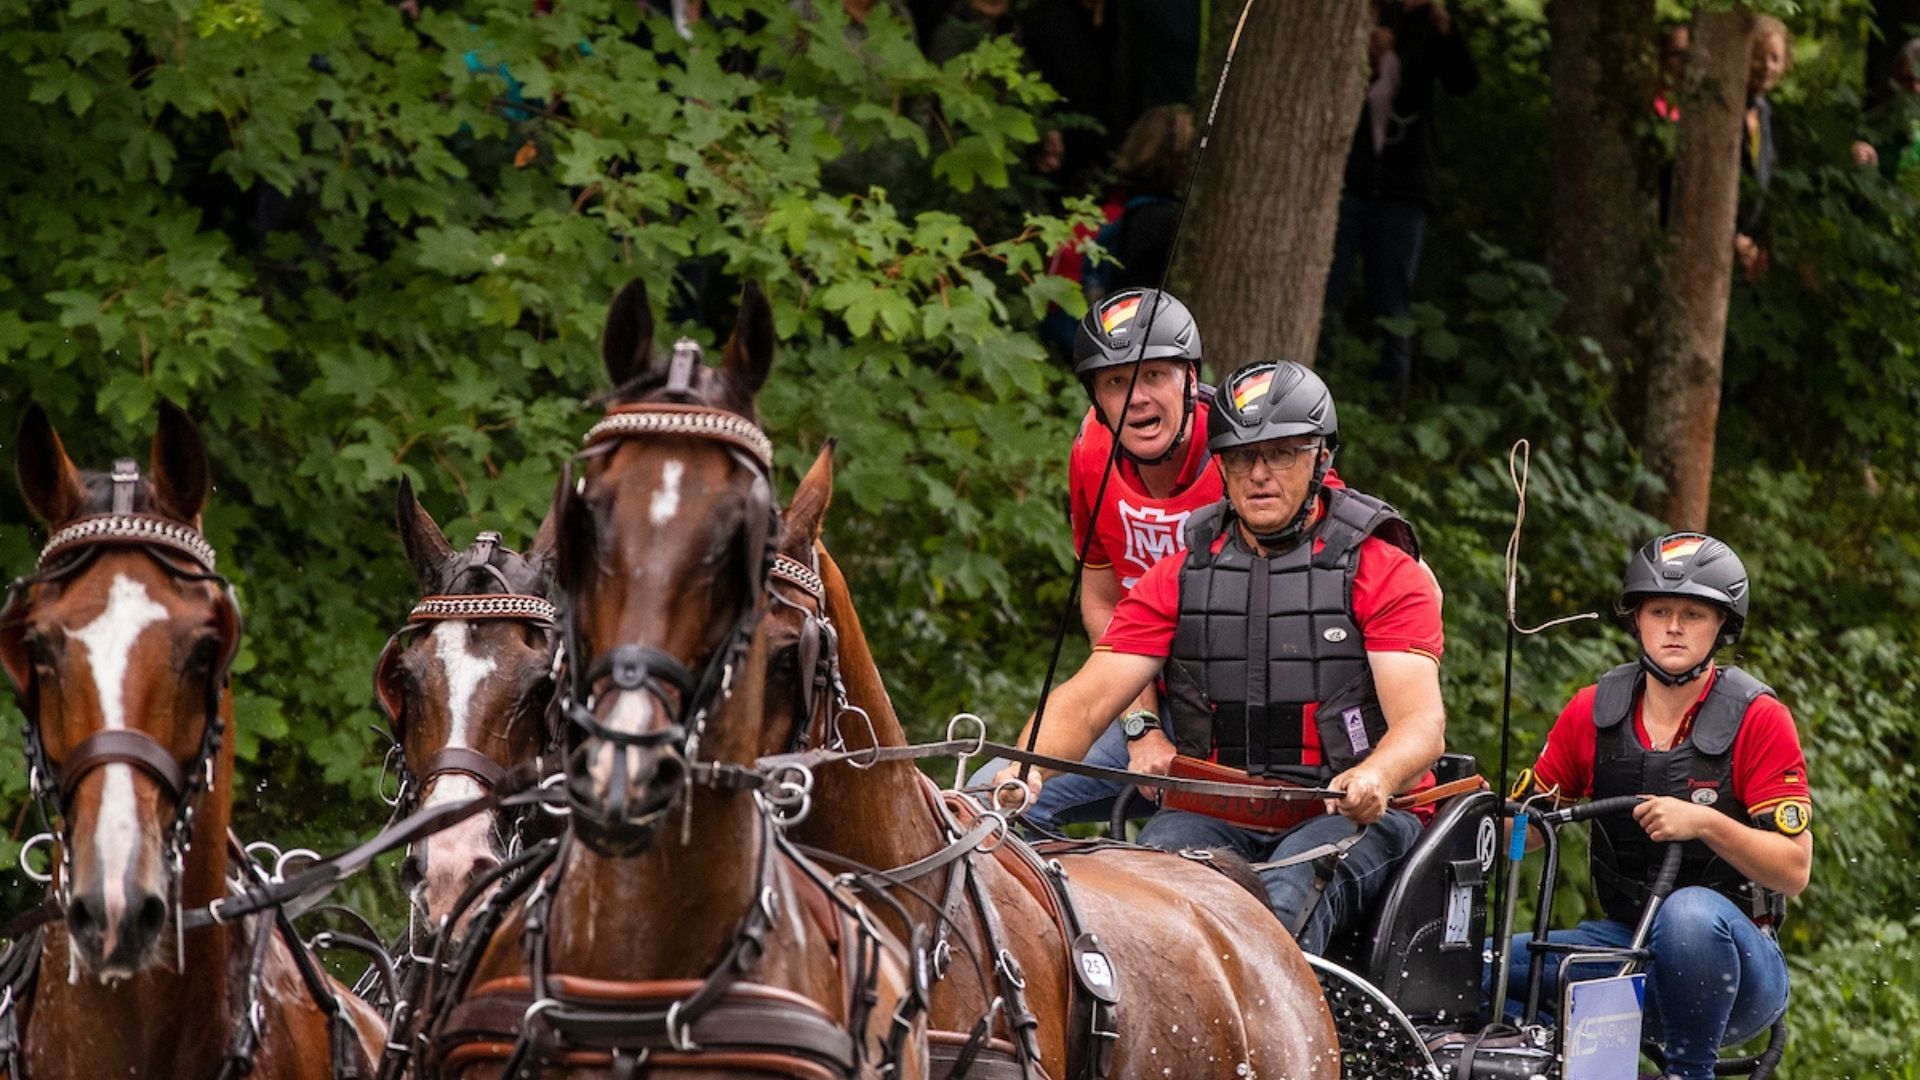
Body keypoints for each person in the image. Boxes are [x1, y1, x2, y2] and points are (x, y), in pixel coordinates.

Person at [996, 360, 1446, 955]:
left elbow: (1422, 726)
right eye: (1240, 458)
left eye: (1280, 454)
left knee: (1279, 908)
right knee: (1139, 911)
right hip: (1213, 812)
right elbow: (1085, 703)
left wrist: (1377, 774)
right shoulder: (1176, 577)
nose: (1258, 475)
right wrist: (1024, 771)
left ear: (1320, 459)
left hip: (1348, 816)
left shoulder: (1384, 572)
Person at [1492, 534, 1810, 1080]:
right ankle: (1562, 1061)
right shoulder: (1591, 710)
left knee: (1688, 915)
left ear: (1722, 625)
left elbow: (1794, 870)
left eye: (1693, 614)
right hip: (1624, 943)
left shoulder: (1759, 718)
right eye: (1659, 611)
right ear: (1637, 619)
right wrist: (1475, 811)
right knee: (1476, 970)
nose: (1674, 627)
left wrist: (1704, 823)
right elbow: (1528, 828)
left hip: (1738, 966)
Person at [972, 288, 1225, 829]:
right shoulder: (1091, 452)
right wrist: (1141, 727)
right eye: (1115, 382)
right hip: (1150, 696)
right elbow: (1104, 601)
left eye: (1153, 374)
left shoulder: (1248, 455)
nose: (1137, 398)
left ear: (1189, 377)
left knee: (1174, 850)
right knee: (988, 799)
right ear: (1096, 399)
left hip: (1249, 721)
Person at [1322, 0, 1478, 397]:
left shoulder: (1428, 24)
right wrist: (1364, 51)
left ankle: (1390, 398)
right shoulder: (1352, 16)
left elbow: (1462, 81)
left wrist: (1445, 28)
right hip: (1348, 179)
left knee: (1393, 300)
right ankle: (1314, 383)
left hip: (1403, 187)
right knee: (1326, 290)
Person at [1736, 16, 1792, 282]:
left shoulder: (1770, 118)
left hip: (1753, 250)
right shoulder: (1725, 112)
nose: (1767, 66)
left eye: (1775, 58)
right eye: (1757, 57)